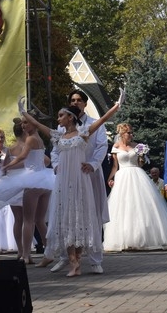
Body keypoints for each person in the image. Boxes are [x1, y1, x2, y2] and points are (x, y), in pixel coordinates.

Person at [20, 90, 123, 277]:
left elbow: (103, 121)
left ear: (70, 117)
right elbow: (37, 125)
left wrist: (117, 105)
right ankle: (72, 262)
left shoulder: (84, 133)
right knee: (65, 216)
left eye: (61, 115)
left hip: (82, 178)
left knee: (82, 216)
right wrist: (22, 112)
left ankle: (92, 259)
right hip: (63, 180)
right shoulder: (58, 134)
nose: (58, 118)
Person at [49, 89, 110, 275]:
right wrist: (57, 165)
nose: (75, 103)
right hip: (68, 176)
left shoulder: (94, 124)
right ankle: (66, 258)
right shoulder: (62, 126)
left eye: (79, 100)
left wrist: (92, 164)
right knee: (67, 212)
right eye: (72, 100)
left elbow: (102, 146)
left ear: (84, 103)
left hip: (88, 172)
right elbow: (54, 150)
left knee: (92, 213)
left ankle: (95, 259)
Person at [103, 123, 167, 251]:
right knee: (124, 207)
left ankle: (144, 237)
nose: (131, 135)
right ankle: (125, 238)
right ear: (122, 134)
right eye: (128, 133)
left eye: (131, 132)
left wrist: (141, 156)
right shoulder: (116, 147)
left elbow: (140, 164)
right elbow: (114, 166)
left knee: (141, 206)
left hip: (137, 175)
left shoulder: (138, 146)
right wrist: (110, 178)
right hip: (122, 176)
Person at [0, 116, 54, 264]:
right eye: (23, 123)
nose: (24, 125)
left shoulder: (30, 139)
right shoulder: (39, 138)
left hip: (32, 180)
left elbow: (23, 157)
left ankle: (25, 254)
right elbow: (44, 160)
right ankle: (49, 251)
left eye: (26, 122)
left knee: (28, 220)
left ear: (33, 124)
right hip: (44, 179)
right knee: (40, 220)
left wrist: (7, 166)